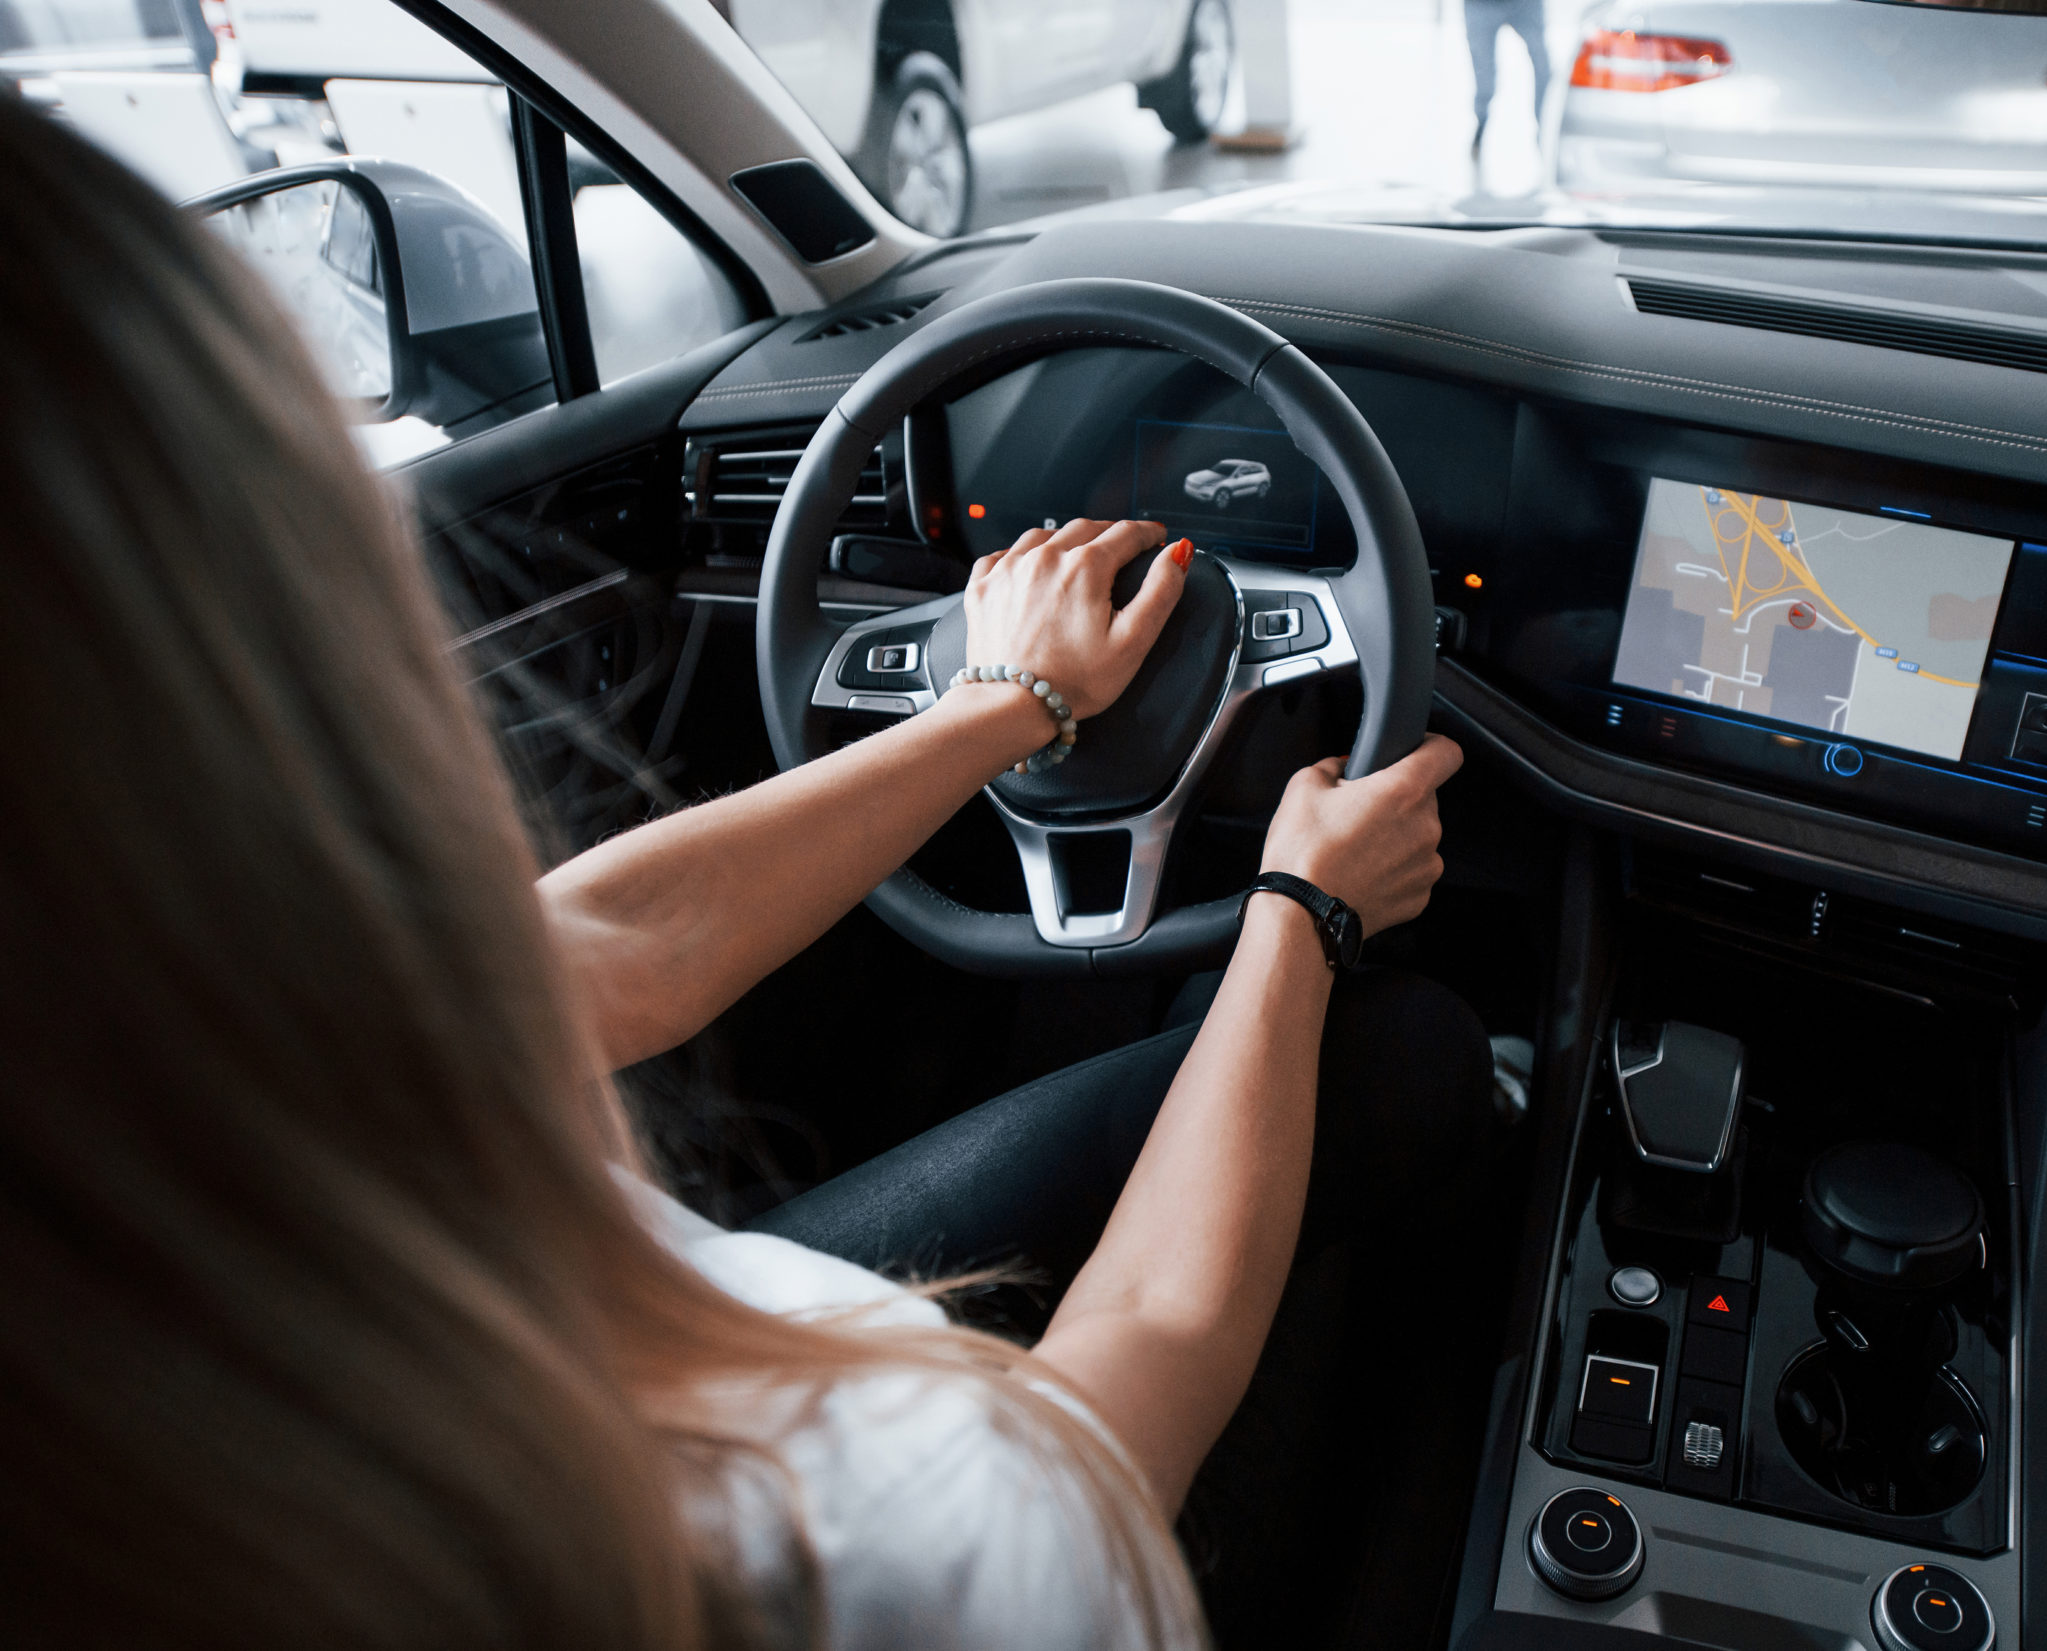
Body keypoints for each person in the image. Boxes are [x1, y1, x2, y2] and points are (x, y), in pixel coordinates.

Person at [0, 93, 1490, 1651]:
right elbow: (1142, 1356)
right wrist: (1301, 910)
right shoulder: (876, 1542)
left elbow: (598, 947)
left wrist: (1012, 704)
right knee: (1412, 1053)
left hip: (641, 1344)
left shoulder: (147, 1108)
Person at [1464, 0, 1553, 156]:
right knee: (1484, 77)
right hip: (1480, 5)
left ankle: (1546, 132)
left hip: (1525, 5)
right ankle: (1481, 123)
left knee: (1542, 66)